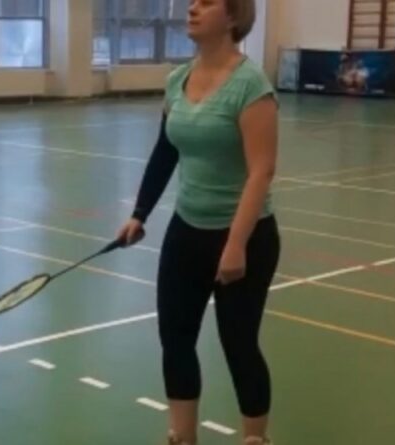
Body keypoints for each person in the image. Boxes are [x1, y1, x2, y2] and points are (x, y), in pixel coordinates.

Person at [116, 0, 280, 444]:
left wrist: (236, 244)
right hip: (187, 231)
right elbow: (165, 150)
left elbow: (261, 171)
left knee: (239, 345)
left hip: (245, 236)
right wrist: (139, 214)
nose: (191, 7)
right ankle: (182, 436)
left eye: (206, 2)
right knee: (176, 338)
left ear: (233, 17)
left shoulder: (252, 86)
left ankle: (255, 439)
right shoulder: (178, 79)